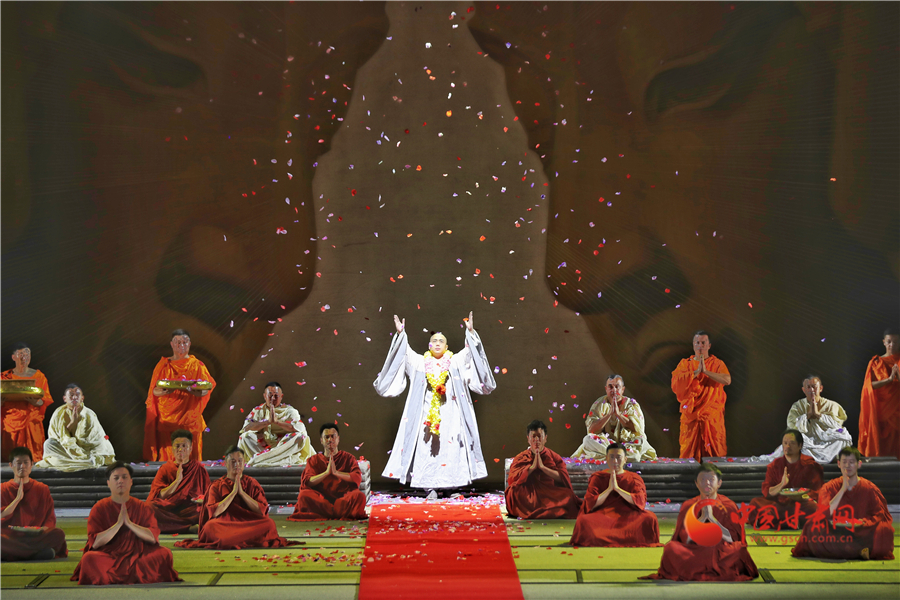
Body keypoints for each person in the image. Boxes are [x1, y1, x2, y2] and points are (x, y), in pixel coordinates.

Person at [374, 311, 496, 492]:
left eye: (441, 341)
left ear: (447, 346)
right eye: (434, 341)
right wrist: (401, 334)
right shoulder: (420, 362)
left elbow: (471, 353)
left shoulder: (455, 361)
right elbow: (404, 352)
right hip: (426, 417)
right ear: (429, 345)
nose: (437, 343)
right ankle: (428, 487)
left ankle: (451, 487)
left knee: (452, 449)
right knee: (426, 450)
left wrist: (471, 333)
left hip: (451, 416)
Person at [643, 463, 758, 581]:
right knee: (670, 548)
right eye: (702, 480)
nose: (707, 483)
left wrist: (712, 519)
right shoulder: (689, 505)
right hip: (695, 550)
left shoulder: (729, 506)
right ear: (696, 483)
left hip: (720, 551)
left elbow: (732, 539)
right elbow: (685, 540)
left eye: (711, 480)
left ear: (719, 483)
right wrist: (702, 518)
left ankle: (694, 569)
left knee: (738, 550)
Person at [72, 461, 180, 585]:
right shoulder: (99, 508)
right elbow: (95, 543)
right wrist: (118, 525)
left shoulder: (142, 507)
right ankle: (134, 575)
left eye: (124, 477)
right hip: (109, 556)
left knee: (164, 553)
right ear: (108, 483)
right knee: (89, 559)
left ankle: (117, 575)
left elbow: (152, 538)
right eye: (116, 478)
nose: (120, 481)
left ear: (131, 482)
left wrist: (130, 524)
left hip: (138, 555)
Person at [175, 445, 298, 549]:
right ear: (225, 463)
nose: (237, 464)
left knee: (269, 523)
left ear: (244, 463)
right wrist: (233, 493)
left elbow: (261, 510)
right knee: (210, 527)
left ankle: (233, 539)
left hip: (248, 523)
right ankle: (247, 539)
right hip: (225, 524)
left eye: (240, 461)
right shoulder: (217, 485)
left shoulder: (252, 483)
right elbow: (215, 512)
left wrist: (242, 493)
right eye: (232, 461)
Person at [792, 447, 894, 560]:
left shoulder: (869, 488)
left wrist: (863, 522)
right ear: (839, 464)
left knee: (885, 530)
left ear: (859, 464)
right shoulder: (829, 487)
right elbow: (824, 513)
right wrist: (842, 489)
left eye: (851, 462)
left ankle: (849, 550)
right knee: (811, 526)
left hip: (861, 531)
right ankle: (859, 551)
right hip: (836, 531)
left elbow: (879, 514)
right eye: (844, 462)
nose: (847, 466)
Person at [143, 329, 216, 462]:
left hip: (190, 418)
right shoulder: (163, 365)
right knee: (169, 458)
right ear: (172, 344)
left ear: (190, 344)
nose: (181, 345)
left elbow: (206, 389)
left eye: (184, 342)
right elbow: (154, 391)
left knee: (192, 459)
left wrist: (194, 391)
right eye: (177, 342)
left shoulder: (197, 365)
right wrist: (165, 392)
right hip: (167, 418)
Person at [569, 443, 660, 547]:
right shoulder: (598, 477)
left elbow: (639, 502)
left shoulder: (633, 478)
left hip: (627, 514)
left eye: (618, 457)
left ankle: (606, 538)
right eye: (612, 457)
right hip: (603, 515)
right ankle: (626, 538)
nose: (615, 461)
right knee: (583, 521)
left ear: (625, 459)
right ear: (606, 459)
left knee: (650, 518)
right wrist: (609, 489)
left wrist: (617, 489)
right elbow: (591, 504)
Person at [671, 331, 731, 462]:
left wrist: (706, 372)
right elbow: (675, 384)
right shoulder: (685, 364)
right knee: (689, 457)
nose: (700, 346)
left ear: (709, 345)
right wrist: (696, 372)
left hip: (711, 418)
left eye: (703, 343)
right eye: (697, 342)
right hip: (691, 418)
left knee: (714, 456)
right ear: (693, 345)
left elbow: (727, 380)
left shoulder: (717, 364)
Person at [289, 424, 367, 521]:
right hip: (321, 501)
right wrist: (326, 473)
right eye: (326, 437)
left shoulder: (348, 458)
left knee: (359, 496)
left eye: (333, 436)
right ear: (321, 440)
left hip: (343, 500)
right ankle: (336, 512)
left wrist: (336, 473)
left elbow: (357, 478)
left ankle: (328, 513)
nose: (330, 440)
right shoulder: (314, 460)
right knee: (304, 496)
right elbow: (308, 481)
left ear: (338, 439)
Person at [1, 447, 67, 561]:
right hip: (11, 535)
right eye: (18, 463)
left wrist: (42, 530)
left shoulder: (42, 489)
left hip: (34, 536)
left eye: (26, 462)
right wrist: (17, 499)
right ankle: (35, 553)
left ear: (32, 464)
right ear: (11, 465)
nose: (22, 466)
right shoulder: (2, 489)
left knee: (58, 534)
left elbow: (50, 518)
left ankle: (14, 553)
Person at [506, 420, 581, 519]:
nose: (536, 440)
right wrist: (532, 468)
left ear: (545, 438)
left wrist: (543, 467)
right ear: (528, 439)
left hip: (549, 493)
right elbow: (512, 479)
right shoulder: (521, 457)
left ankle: (540, 510)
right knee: (512, 492)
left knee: (569, 496)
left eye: (539, 436)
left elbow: (563, 477)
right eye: (533, 436)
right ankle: (552, 511)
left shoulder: (554, 456)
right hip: (529, 494)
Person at [749, 429, 823, 529]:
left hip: (800, 504)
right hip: (778, 504)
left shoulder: (810, 465)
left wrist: (800, 497)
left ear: (800, 445)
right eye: (785, 443)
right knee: (754, 503)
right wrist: (781, 484)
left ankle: (775, 521)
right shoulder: (775, 465)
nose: (788, 446)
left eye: (792, 443)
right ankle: (790, 521)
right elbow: (767, 491)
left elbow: (817, 491)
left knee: (814, 508)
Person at [572, 375, 657, 462]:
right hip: (606, 445)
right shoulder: (599, 404)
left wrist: (618, 414)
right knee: (587, 440)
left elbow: (637, 429)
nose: (614, 390)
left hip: (627, 444)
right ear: (606, 389)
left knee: (641, 441)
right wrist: (609, 414)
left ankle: (612, 457)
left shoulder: (631, 404)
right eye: (610, 387)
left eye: (617, 387)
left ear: (623, 389)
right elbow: (592, 429)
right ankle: (622, 457)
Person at [34, 384, 116, 472]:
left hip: (86, 451)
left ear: (82, 398)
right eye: (71, 395)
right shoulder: (58, 413)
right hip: (66, 450)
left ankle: (79, 462)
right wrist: (72, 423)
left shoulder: (89, 414)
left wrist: (77, 448)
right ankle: (83, 463)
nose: (74, 398)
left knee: (97, 454)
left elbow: (92, 441)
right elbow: (57, 438)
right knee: (49, 443)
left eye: (77, 395)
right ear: (65, 399)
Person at [146, 429, 210, 534]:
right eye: (177, 446)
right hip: (168, 509)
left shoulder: (198, 469)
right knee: (149, 508)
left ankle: (174, 526)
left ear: (190, 449)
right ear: (172, 449)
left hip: (189, 510)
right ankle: (187, 527)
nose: (180, 449)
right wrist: (177, 481)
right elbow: (158, 496)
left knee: (206, 510)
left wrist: (202, 500)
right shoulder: (165, 469)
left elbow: (208, 495)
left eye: (184, 446)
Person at [238, 382, 314, 467]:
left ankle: (260, 460)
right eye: (270, 396)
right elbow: (246, 428)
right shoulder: (257, 411)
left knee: (299, 437)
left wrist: (277, 422)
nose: (273, 399)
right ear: (264, 396)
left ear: (281, 396)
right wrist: (267, 422)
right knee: (245, 437)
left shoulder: (290, 411)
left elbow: (299, 428)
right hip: (263, 445)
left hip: (283, 446)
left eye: (276, 396)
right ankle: (274, 460)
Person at [1, 344, 53, 461]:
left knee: (33, 458)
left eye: (27, 354)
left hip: (31, 420)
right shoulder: (4, 377)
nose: (24, 357)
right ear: (13, 357)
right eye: (21, 354)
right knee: (12, 458)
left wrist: (36, 403)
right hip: (10, 421)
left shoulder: (39, 376)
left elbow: (44, 400)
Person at [783, 376, 852, 463]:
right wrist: (807, 415)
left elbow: (837, 426)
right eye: (808, 387)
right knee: (796, 440)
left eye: (814, 387)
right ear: (804, 390)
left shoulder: (832, 405)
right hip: (808, 439)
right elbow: (792, 427)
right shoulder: (797, 406)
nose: (812, 390)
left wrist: (818, 415)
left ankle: (825, 457)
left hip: (826, 439)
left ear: (820, 388)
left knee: (844, 436)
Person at [859, 329, 900, 459]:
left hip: (898, 410)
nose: (892, 345)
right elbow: (868, 386)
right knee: (881, 446)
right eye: (889, 341)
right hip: (881, 411)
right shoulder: (876, 362)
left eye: (895, 342)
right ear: (884, 342)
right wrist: (888, 380)